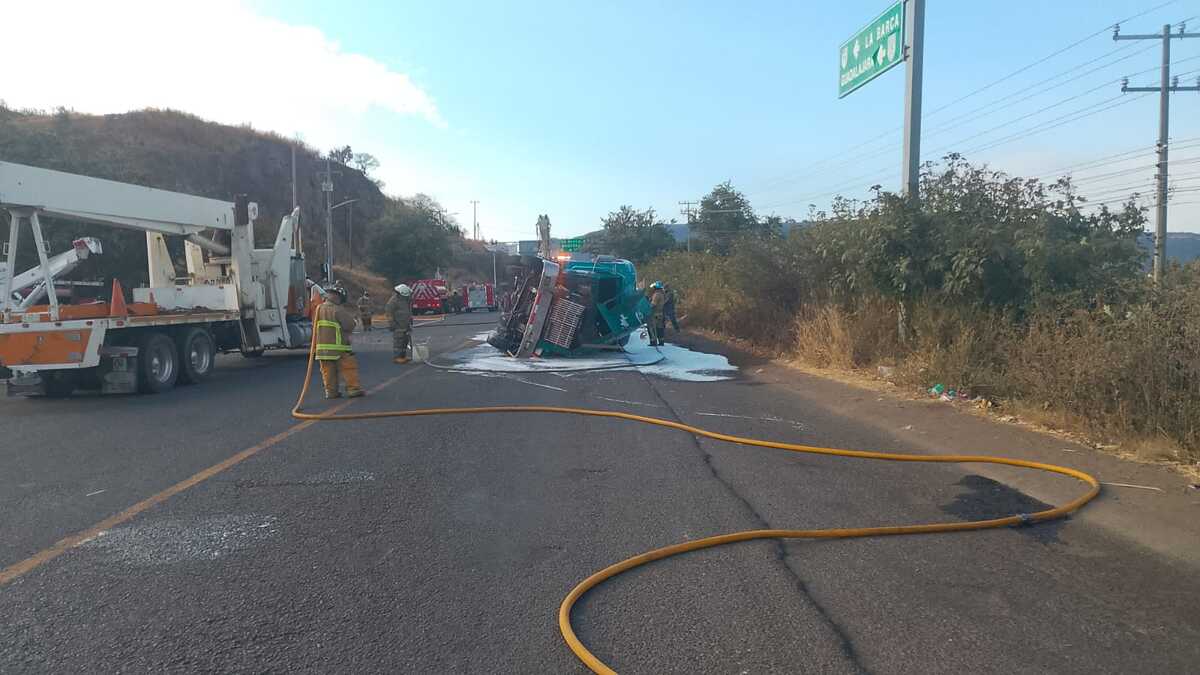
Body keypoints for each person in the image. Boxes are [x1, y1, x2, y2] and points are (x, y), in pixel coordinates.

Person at [314, 283, 364, 399]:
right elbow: (349, 325)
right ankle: (353, 389)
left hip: (322, 348)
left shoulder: (318, 308)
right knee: (348, 368)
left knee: (328, 371)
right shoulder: (337, 310)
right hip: (339, 347)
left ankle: (331, 392)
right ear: (338, 297)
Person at [386, 283, 414, 363]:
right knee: (398, 341)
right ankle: (397, 357)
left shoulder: (405, 300)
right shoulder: (393, 301)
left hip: (406, 324)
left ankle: (403, 356)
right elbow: (389, 312)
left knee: (405, 341)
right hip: (398, 325)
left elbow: (408, 310)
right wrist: (392, 323)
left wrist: (410, 320)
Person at [648, 281, 667, 347]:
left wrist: (647, 307)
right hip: (660, 313)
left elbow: (653, 304)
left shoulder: (656, 294)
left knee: (651, 327)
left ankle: (653, 342)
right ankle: (661, 342)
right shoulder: (662, 294)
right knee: (660, 328)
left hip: (655, 314)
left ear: (656, 287)